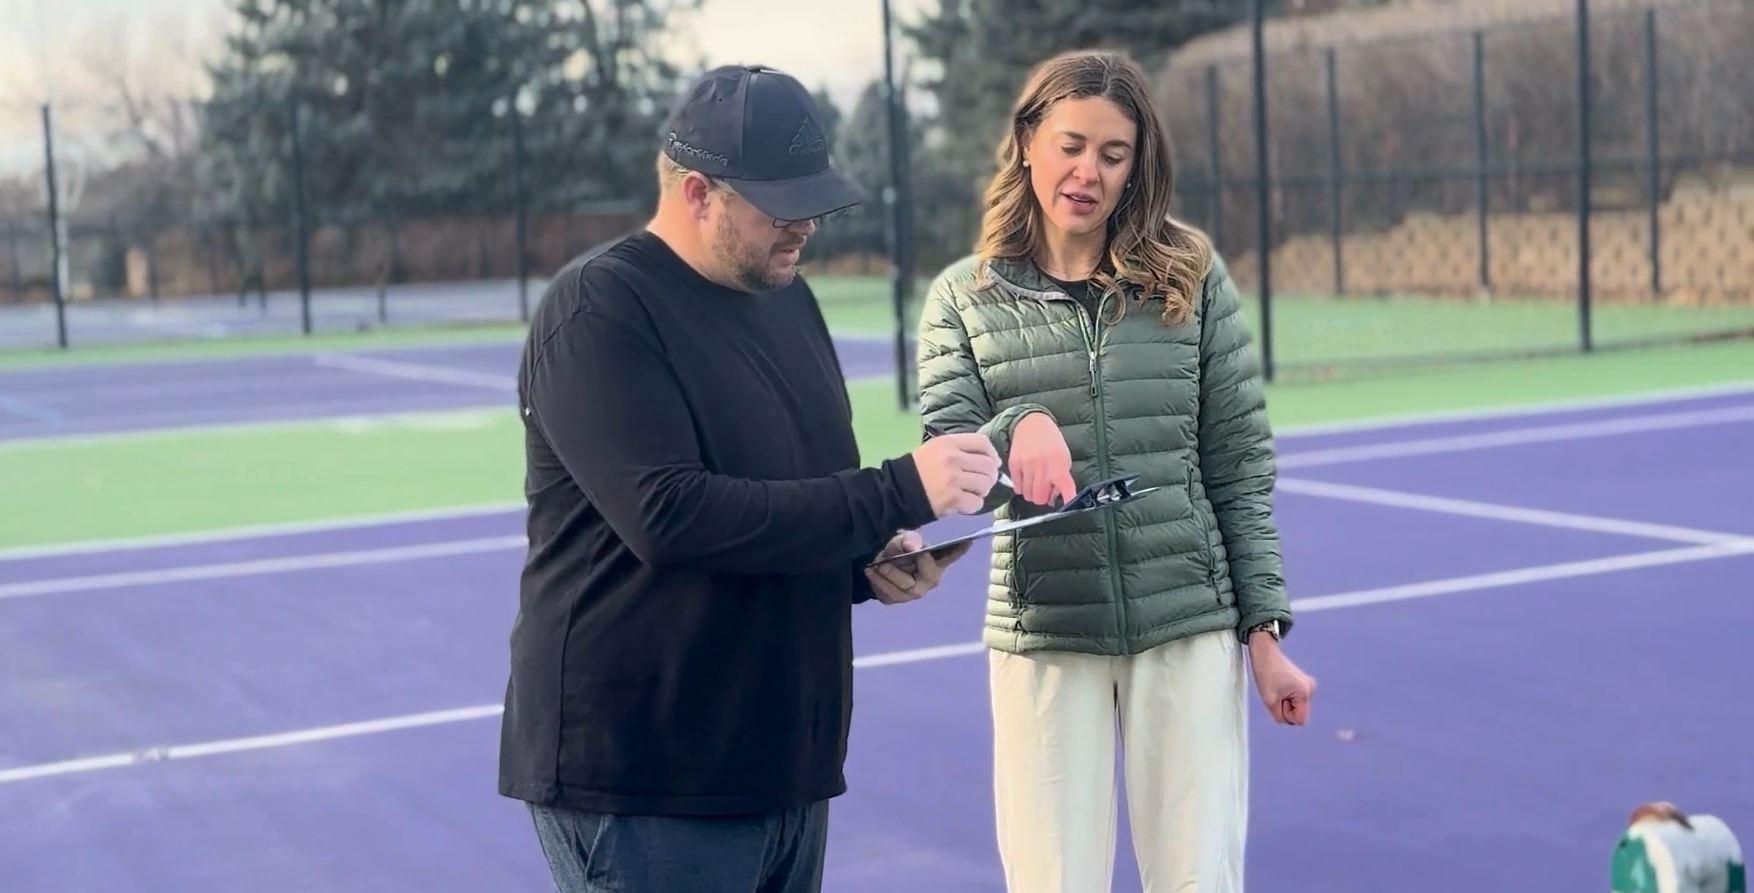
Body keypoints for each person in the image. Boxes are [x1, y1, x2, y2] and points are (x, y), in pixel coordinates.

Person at [500, 63, 1000, 893]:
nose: (805, 223)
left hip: (781, 769)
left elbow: (792, 493)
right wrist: (898, 490)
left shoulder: (787, 297)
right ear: (699, 192)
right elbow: (669, 515)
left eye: (815, 200)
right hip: (648, 780)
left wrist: (860, 562)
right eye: (781, 202)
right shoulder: (599, 311)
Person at [916, 51, 1318, 893]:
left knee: (1199, 878)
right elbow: (951, 466)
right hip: (1044, 631)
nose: (1086, 172)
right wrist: (1017, 423)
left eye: (1112, 153)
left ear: (1138, 165)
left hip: (1188, 623)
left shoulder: (1192, 276)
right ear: (1027, 142)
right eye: (1070, 144)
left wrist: (1263, 634)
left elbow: (1239, 468)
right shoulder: (962, 296)